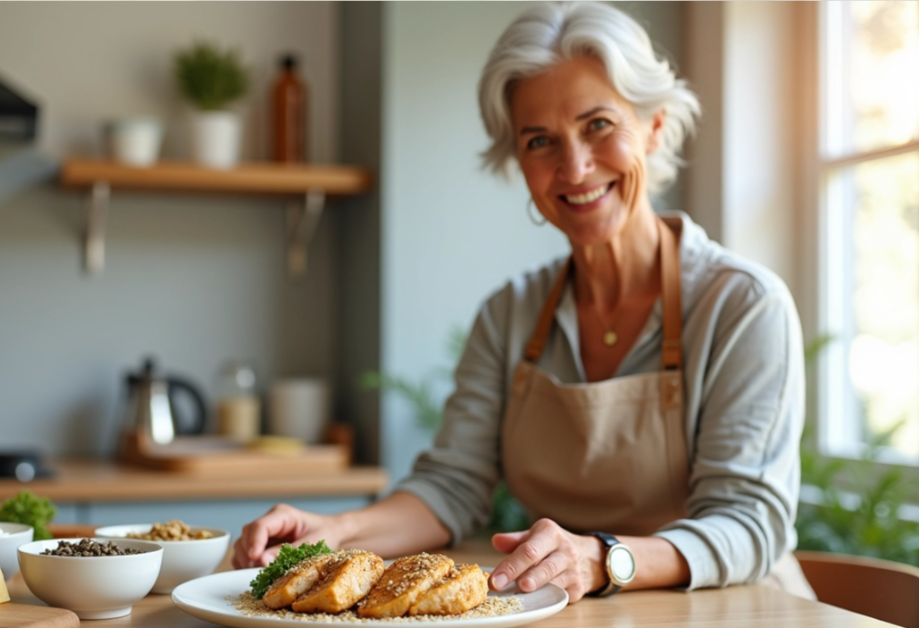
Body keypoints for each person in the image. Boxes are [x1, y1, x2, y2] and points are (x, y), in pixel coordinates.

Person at [232, 2, 814, 602]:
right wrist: (338, 531)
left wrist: (603, 558)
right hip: (575, 612)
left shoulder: (744, 306)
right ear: (519, 162)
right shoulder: (508, 315)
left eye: (598, 125)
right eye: (541, 141)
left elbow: (749, 522)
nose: (575, 166)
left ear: (655, 126)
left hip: (737, 609)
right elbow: (451, 487)